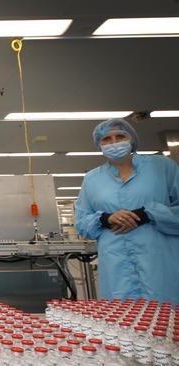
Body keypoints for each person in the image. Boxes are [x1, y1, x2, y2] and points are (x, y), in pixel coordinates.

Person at [75, 118, 179, 303]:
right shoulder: (92, 179)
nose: (114, 143)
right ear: (99, 144)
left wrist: (147, 214)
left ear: (131, 139)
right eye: (106, 139)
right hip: (116, 263)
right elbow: (82, 222)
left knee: (165, 318)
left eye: (119, 136)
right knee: (122, 318)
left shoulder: (162, 167)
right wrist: (105, 219)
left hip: (158, 259)